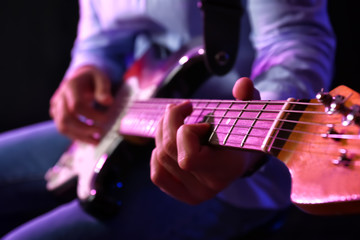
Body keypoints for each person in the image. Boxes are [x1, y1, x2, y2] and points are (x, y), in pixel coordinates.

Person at [0, 0, 335, 239]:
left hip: (228, 158)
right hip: (121, 116)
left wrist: (249, 149)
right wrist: (87, 69)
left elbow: (294, 38)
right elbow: (99, 37)